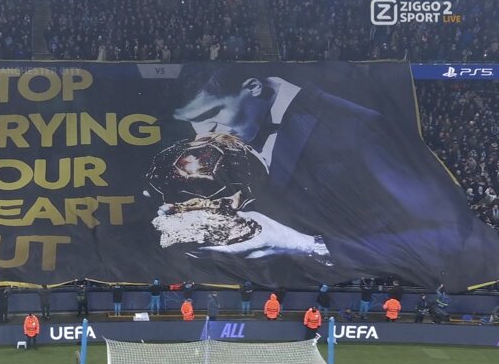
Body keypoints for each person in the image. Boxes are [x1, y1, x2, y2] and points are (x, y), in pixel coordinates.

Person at [171, 67, 499, 293]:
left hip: (425, 281)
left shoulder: (357, 129)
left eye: (210, 114)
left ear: (254, 88)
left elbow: (445, 238)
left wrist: (307, 246)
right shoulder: (233, 145)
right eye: (193, 122)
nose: (204, 133)